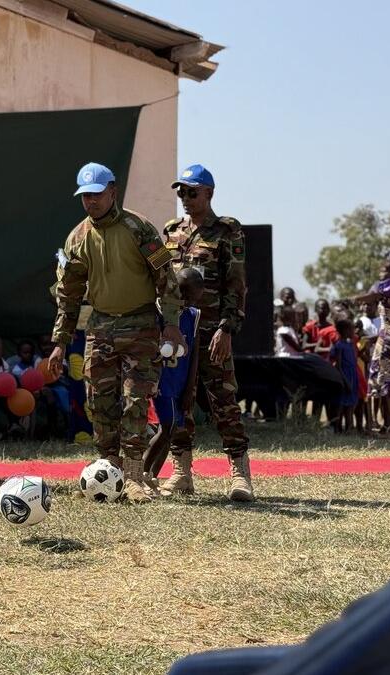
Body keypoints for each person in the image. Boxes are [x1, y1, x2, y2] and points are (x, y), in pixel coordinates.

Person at [47, 162, 184, 503]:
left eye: (96, 195)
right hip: (101, 327)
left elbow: (166, 278)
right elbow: (68, 295)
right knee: (100, 403)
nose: (90, 202)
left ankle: (135, 478)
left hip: (141, 326)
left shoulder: (140, 228)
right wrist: (60, 344)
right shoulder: (77, 238)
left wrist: (171, 327)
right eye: (84, 197)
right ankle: (111, 473)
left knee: (136, 401)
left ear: (112, 191)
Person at [160, 163, 253, 500]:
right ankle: (182, 472)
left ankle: (240, 475)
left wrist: (228, 328)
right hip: (180, 334)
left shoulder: (227, 231)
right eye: (181, 191)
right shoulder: (171, 231)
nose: (185, 197)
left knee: (224, 401)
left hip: (214, 331)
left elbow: (237, 285)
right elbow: (162, 279)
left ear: (209, 193)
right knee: (178, 400)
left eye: (192, 191)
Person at [143, 267, 203, 489]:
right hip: (161, 382)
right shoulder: (156, 314)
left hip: (180, 382)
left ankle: (152, 478)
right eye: (183, 294)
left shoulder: (193, 316)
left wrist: (190, 388)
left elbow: (195, 354)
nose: (186, 300)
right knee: (165, 428)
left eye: (192, 296)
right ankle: (140, 473)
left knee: (171, 431)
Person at [353, 259, 390, 438]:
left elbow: (371, 296)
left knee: (386, 379)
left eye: (383, 270)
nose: (380, 274)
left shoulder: (388, 287)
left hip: (389, 338)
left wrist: (353, 299)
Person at [330, 319, 359, 433]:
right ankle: (337, 428)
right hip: (345, 377)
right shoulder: (339, 345)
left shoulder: (350, 344)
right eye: (352, 329)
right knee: (341, 404)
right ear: (345, 331)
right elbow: (339, 365)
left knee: (351, 404)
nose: (354, 331)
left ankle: (349, 428)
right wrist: (345, 381)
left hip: (352, 376)